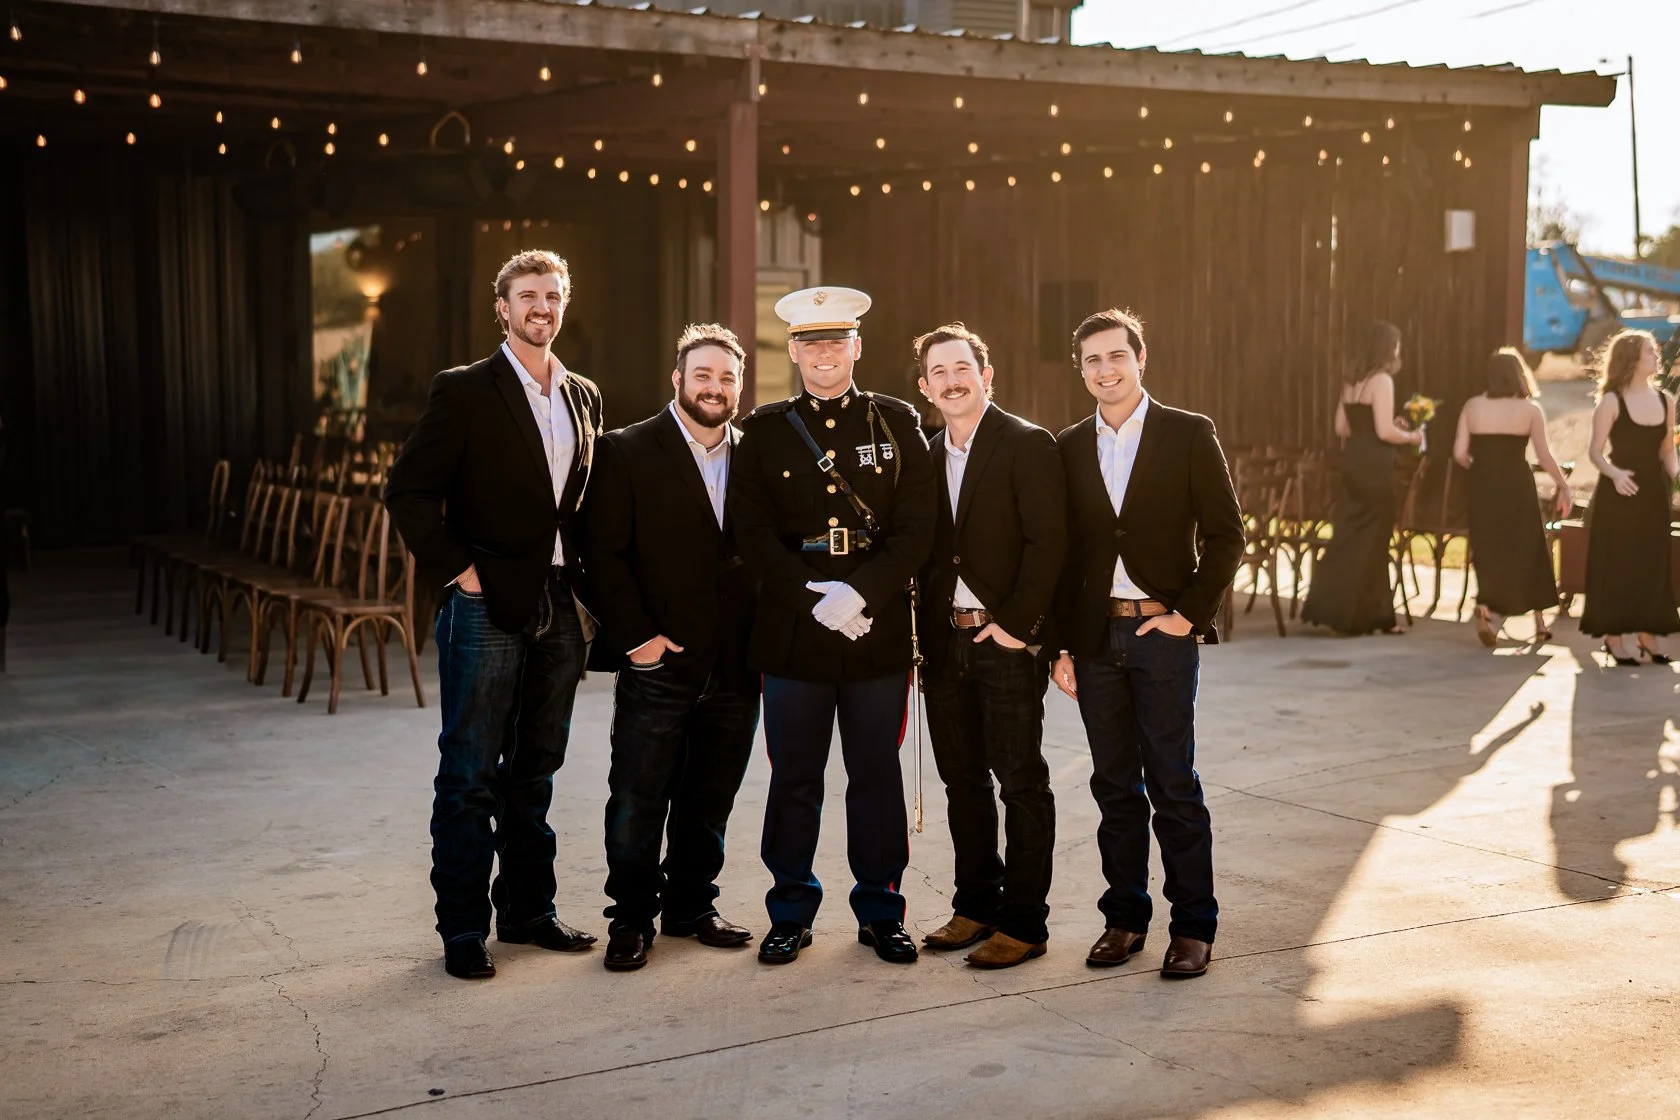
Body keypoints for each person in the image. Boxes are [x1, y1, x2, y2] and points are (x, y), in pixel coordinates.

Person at [385, 250, 603, 981]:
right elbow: (408, 491)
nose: (541, 306)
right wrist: (462, 571)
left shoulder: (584, 396)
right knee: (471, 771)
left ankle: (529, 911)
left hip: (559, 604)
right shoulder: (465, 391)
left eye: (552, 295)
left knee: (536, 769)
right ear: (502, 307)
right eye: (527, 295)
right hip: (485, 605)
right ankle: (463, 931)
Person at [727, 286, 936, 966]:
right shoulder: (763, 430)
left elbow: (917, 528)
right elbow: (751, 534)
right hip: (794, 630)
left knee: (875, 774)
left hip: (873, 629)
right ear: (792, 351)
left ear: (857, 347)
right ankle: (790, 909)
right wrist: (811, 596)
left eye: (836, 341)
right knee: (795, 776)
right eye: (811, 343)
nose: (824, 354)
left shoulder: (896, 422)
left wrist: (861, 594)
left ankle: (881, 911)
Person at [1050, 308, 1244, 980]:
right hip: (1096, 637)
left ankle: (1193, 928)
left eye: (1116, 356)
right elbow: (1063, 552)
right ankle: (1124, 919)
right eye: (1092, 361)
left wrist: (1189, 615)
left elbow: (1227, 536)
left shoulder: (1188, 433)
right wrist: (1062, 645)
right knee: (1113, 787)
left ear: (1141, 357)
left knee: (1173, 783)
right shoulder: (1069, 445)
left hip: (1163, 634)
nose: (1106, 370)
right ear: (1081, 370)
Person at [579, 324, 760, 972]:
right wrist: (638, 642)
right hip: (659, 662)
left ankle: (690, 906)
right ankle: (630, 918)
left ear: (739, 386)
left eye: (727, 377)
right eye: (704, 375)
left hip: (737, 665)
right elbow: (601, 555)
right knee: (638, 796)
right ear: (678, 380)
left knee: (710, 798)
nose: (715, 387)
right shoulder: (626, 450)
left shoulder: (755, 455)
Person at [913, 323, 1066, 970]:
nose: (952, 380)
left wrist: (1015, 627)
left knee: (1020, 781)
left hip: (1002, 641)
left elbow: (1048, 543)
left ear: (986, 373)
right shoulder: (924, 452)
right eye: (938, 372)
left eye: (961, 368)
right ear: (924, 387)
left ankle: (1024, 922)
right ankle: (975, 905)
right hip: (945, 646)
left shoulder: (1025, 443)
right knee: (961, 783)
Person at [1301, 322, 1424, 635]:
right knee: (1376, 537)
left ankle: (1359, 613)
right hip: (1375, 466)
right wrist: (1411, 436)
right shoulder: (1382, 380)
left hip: (1354, 462)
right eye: (1396, 346)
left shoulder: (1353, 382)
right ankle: (1372, 616)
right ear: (1386, 348)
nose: (1398, 352)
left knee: (1351, 534)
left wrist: (1376, 425)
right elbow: (1384, 431)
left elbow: (1342, 427)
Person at [1453, 348, 1574, 647]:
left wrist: (1480, 467)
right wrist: (1564, 485)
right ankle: (1538, 620)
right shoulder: (1530, 410)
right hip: (1517, 485)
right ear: (1520, 375)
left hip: (1483, 484)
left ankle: (1489, 608)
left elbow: (1458, 454)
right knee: (1529, 547)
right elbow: (1544, 456)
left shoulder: (1472, 406)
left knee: (1490, 548)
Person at [1580, 330, 1679, 664]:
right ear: (1632, 359)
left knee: (1651, 564)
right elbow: (1595, 452)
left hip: (1653, 494)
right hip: (1618, 493)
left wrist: (1677, 474)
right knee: (1618, 564)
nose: (1657, 355)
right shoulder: (1611, 400)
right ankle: (1613, 635)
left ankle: (1648, 634)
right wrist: (1615, 474)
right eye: (1649, 351)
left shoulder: (1666, 400)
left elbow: (1668, 451)